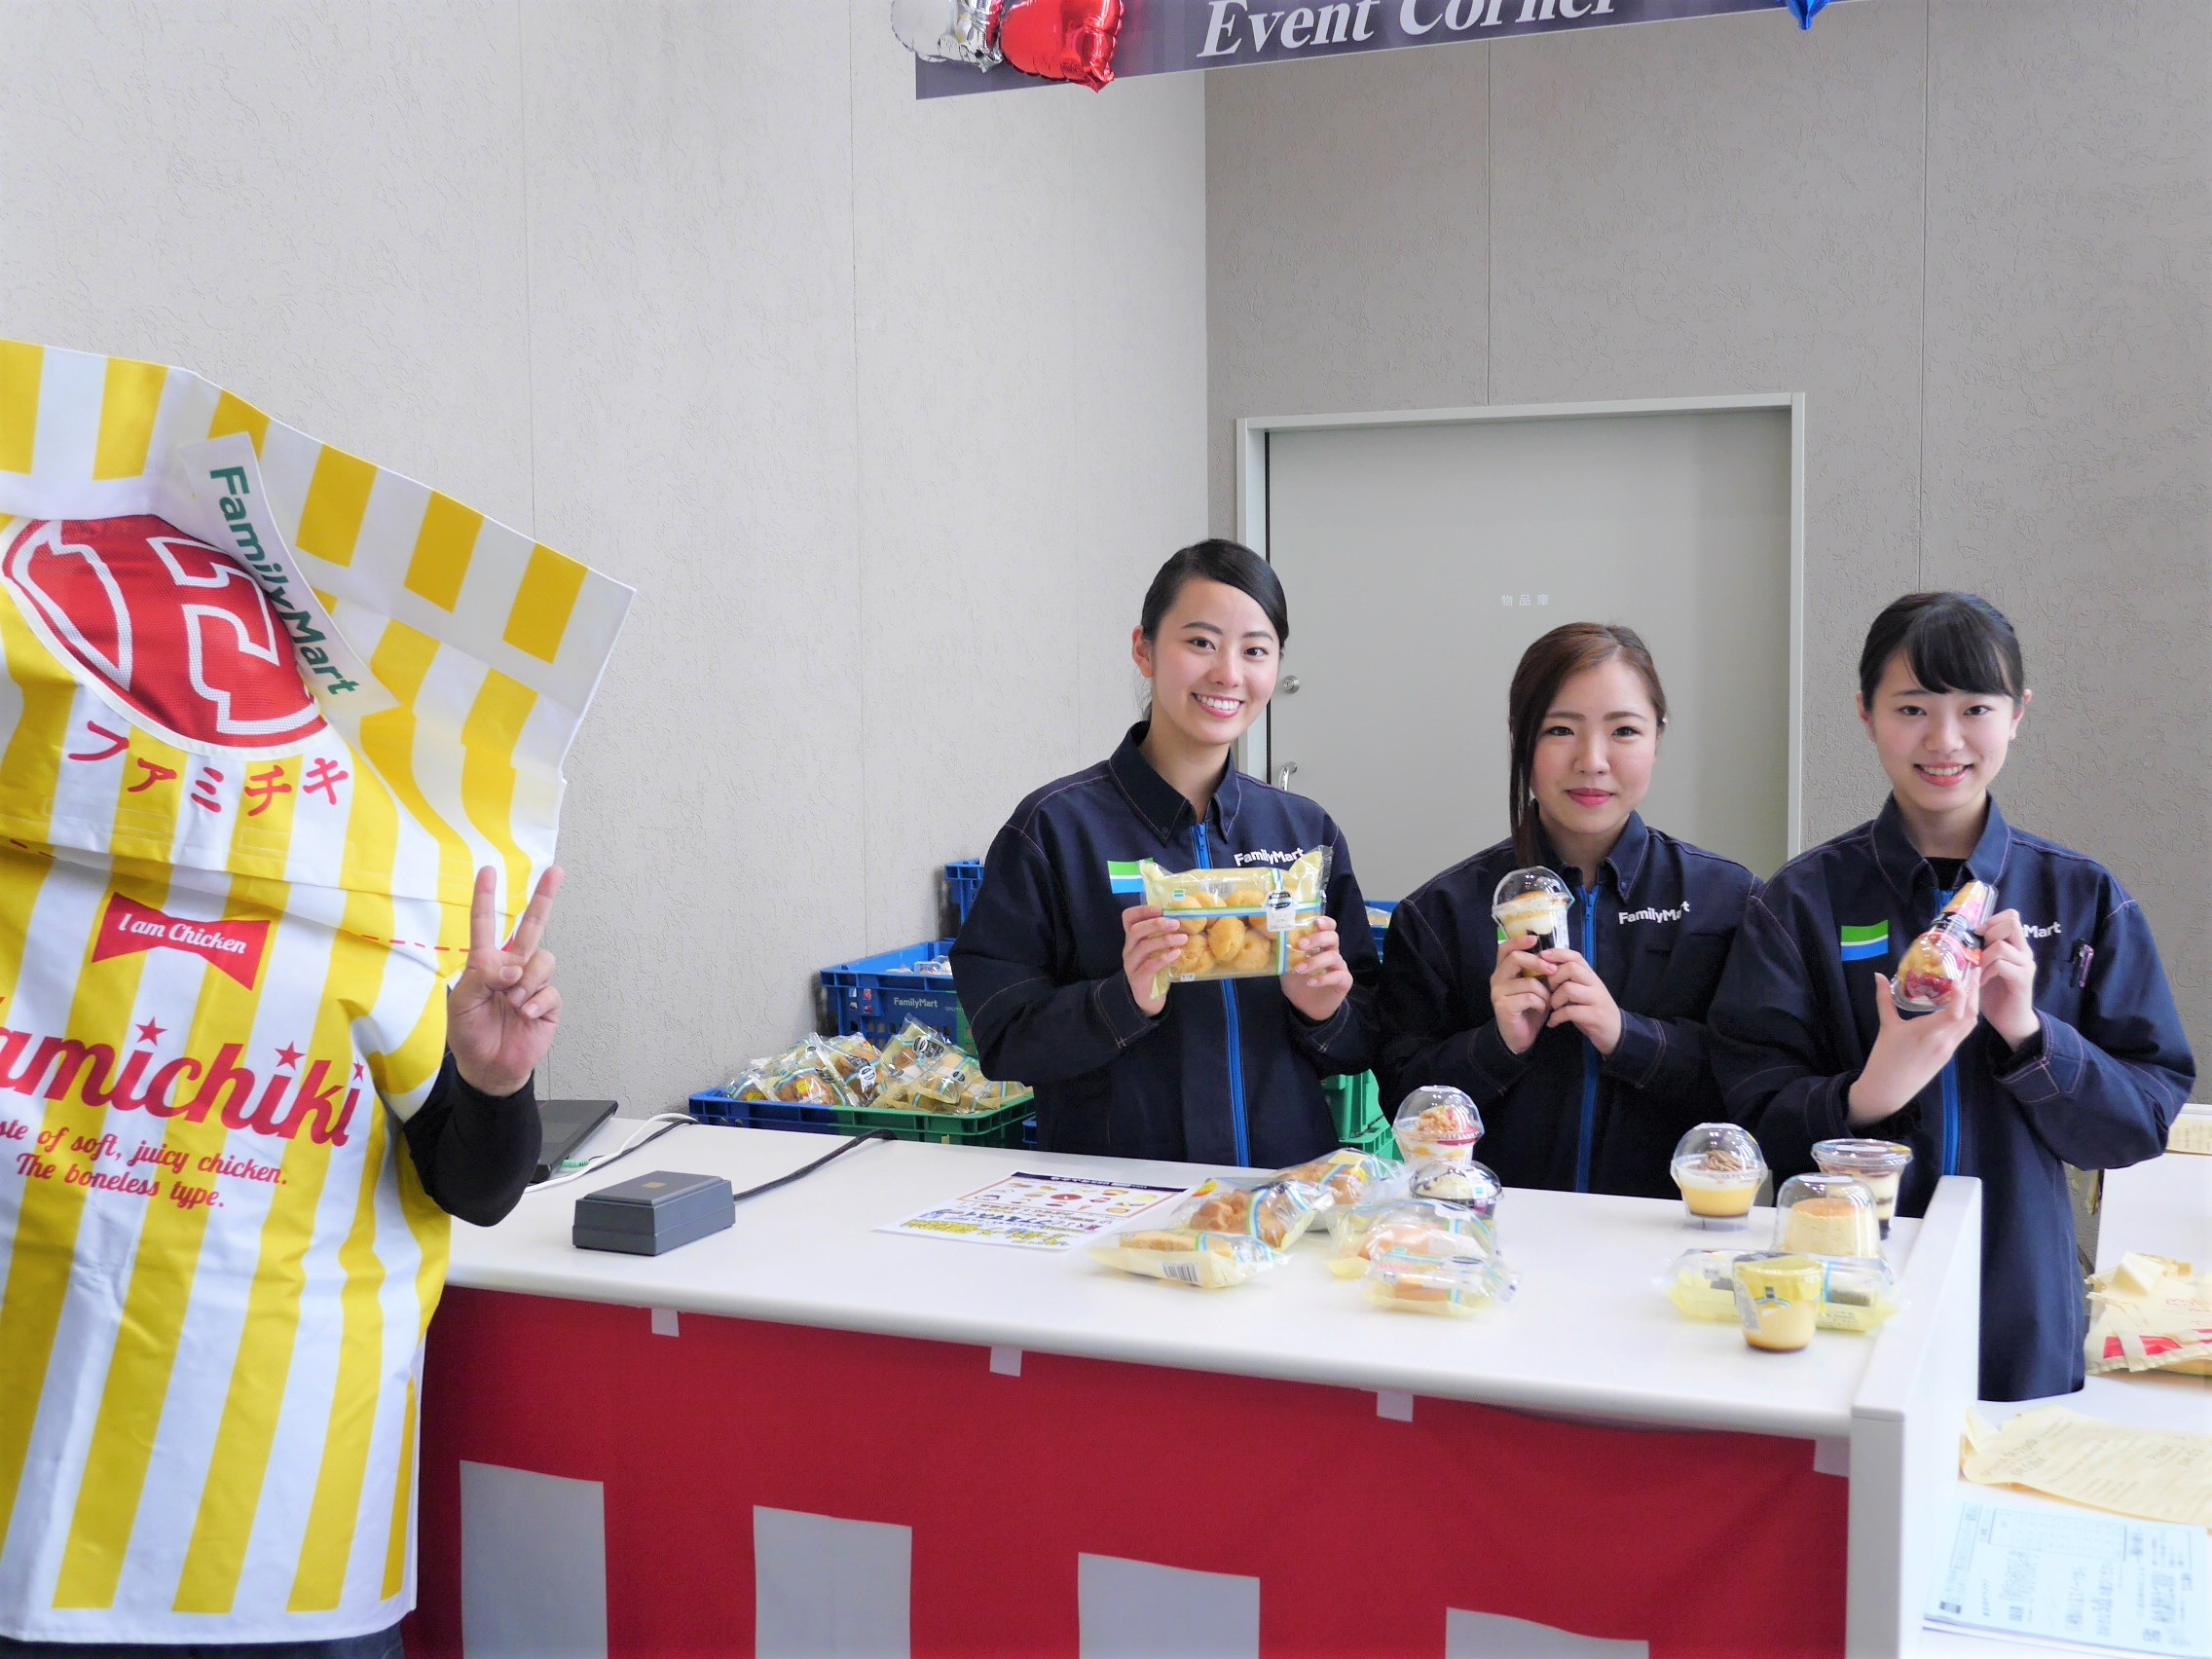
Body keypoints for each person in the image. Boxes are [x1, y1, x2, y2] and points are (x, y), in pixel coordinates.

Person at [0, 864, 563, 1659]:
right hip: (30, 1518)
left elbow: (475, 1188)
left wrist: (496, 1081)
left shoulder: (389, 914)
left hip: (292, 1532)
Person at [1708, 592, 2193, 1401]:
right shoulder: (1801, 900)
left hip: (2021, 1302)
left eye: (1976, 709)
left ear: (2018, 714)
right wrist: (1870, 1094)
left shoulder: (2081, 897)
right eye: (1912, 709)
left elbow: (2140, 1121)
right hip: (1840, 1295)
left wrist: (2031, 1037)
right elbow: (1751, 1113)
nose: (1944, 740)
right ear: (1865, 715)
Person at [952, 538, 1378, 1167]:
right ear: (1144, 649)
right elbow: (1003, 1037)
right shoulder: (1056, 829)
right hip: (1119, 1196)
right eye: (1201, 642)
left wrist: (1325, 1013)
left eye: (1255, 650)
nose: (1228, 674)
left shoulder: (1303, 831)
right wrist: (1124, 1001)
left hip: (1280, 1193)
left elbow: (1370, 1034)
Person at [1378, 623, 1756, 1195]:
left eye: (1624, 730)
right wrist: (1498, 1045)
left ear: (1657, 736)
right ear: (1520, 738)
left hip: (1670, 1231)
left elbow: (1755, 1082)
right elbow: (1403, 1101)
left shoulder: (1726, 900)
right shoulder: (1440, 914)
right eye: (1560, 730)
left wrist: (1625, 1035)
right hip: (1488, 1227)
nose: (1592, 760)